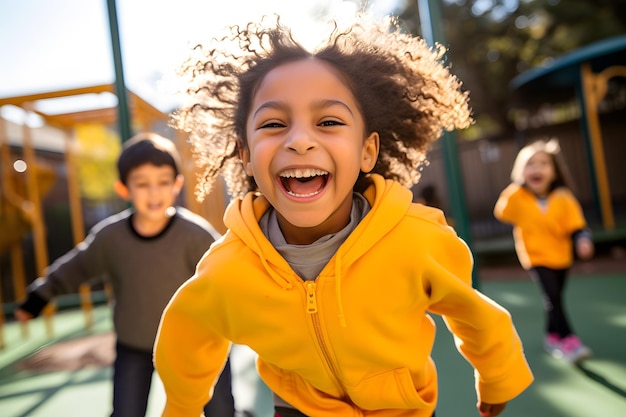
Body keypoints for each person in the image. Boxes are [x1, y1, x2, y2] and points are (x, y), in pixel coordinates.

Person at [154, 15, 533, 417]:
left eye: (329, 121)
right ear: (246, 155)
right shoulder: (226, 269)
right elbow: (187, 337)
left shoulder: (415, 238)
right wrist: (181, 407)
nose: (300, 140)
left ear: (367, 151)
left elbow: (474, 312)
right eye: (273, 123)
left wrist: (498, 375)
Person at [14, 132, 235, 417]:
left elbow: (227, 271)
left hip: (196, 344)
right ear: (124, 189)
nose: (154, 192)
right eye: (142, 184)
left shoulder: (194, 233)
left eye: (163, 182)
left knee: (221, 411)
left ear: (177, 185)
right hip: (135, 345)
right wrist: (39, 296)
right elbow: (77, 266)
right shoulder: (111, 238)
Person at [494, 138, 594, 364]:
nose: (536, 168)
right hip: (535, 257)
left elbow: (577, 225)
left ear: (554, 171)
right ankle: (569, 340)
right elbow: (502, 212)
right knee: (552, 298)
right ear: (521, 171)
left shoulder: (564, 198)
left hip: (561, 257)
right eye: (530, 164)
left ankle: (551, 336)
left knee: (555, 298)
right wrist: (516, 187)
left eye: (543, 163)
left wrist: (583, 239)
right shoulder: (518, 196)